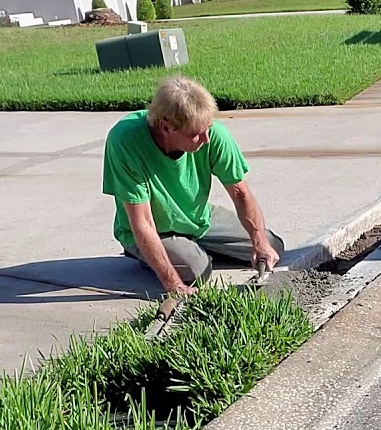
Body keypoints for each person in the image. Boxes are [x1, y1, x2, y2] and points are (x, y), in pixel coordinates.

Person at [102, 74, 284, 296]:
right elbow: (143, 223)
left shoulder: (213, 135)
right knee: (197, 270)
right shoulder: (125, 141)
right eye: (196, 134)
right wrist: (174, 285)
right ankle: (150, 255)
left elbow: (241, 194)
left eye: (208, 128)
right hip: (154, 230)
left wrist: (260, 242)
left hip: (196, 219)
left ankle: (192, 247)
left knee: (272, 247)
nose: (206, 139)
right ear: (166, 127)